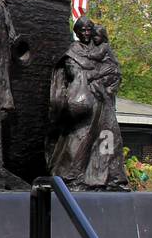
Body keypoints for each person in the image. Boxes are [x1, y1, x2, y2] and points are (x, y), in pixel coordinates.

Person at [46, 16, 130, 190]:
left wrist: (106, 80)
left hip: (103, 101)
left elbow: (114, 70)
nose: (86, 33)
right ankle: (72, 178)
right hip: (85, 104)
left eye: (88, 29)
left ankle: (110, 179)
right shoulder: (73, 51)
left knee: (109, 139)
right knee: (80, 139)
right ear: (77, 32)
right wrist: (97, 74)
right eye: (82, 30)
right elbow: (73, 73)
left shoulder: (101, 48)